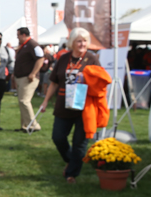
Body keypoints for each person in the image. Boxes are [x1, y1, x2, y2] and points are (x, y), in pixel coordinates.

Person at [39, 28, 99, 183]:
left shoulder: (92, 58)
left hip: (84, 107)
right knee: (58, 137)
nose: (82, 44)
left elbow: (100, 81)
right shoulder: (64, 58)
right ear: (72, 42)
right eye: (79, 41)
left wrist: (86, 78)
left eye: (85, 41)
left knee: (80, 143)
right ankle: (70, 160)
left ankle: (71, 174)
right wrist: (45, 101)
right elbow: (54, 82)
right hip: (63, 105)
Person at [13, 27, 44, 132]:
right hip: (21, 77)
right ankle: (25, 126)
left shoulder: (33, 44)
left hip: (28, 78)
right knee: (22, 102)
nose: (17, 37)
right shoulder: (24, 45)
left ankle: (33, 125)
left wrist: (33, 73)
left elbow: (40, 58)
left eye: (18, 35)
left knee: (24, 101)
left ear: (23, 35)